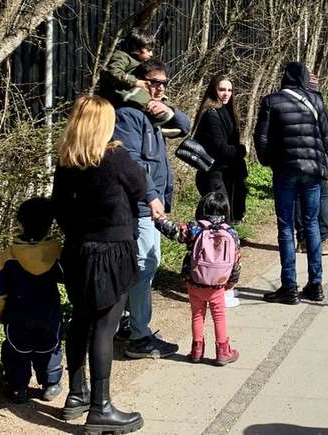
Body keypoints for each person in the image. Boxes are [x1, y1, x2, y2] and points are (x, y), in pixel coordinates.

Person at [52, 96, 145, 433]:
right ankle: (101, 407)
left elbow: (58, 209)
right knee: (105, 326)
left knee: (80, 320)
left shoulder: (66, 160)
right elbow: (141, 187)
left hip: (77, 250)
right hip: (112, 249)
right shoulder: (115, 155)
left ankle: (76, 394)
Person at [113, 58, 190, 359]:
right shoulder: (128, 115)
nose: (158, 88)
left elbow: (183, 125)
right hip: (141, 205)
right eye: (153, 82)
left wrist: (169, 110)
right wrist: (152, 196)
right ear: (137, 81)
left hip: (151, 203)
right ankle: (139, 336)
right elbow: (131, 162)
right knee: (145, 265)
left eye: (163, 83)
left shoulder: (152, 113)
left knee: (142, 265)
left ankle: (127, 325)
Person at [254, 62, 328, 305]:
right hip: (312, 169)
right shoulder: (316, 100)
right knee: (312, 225)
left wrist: (268, 161)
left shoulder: (271, 101)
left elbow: (262, 136)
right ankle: (316, 284)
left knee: (285, 227)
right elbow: (326, 134)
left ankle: (289, 286)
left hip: (285, 168)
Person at [0, 197, 63, 404]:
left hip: (17, 314)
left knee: (17, 350)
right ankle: (51, 384)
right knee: (49, 347)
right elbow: (70, 278)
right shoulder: (56, 253)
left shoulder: (9, 255)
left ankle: (18, 388)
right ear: (50, 225)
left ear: (20, 223)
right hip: (49, 314)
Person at [154, 192, 241, 365]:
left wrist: (159, 220)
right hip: (218, 284)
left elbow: (174, 232)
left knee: (197, 315)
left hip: (194, 281)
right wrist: (230, 282)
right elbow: (236, 261)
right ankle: (223, 351)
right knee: (219, 315)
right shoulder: (231, 233)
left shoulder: (195, 228)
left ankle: (196, 351)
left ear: (201, 208)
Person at [294, 72, 328, 256]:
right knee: (321, 196)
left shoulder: (285, 99)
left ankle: (302, 239)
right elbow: (326, 129)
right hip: (315, 157)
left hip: (293, 159)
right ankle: (322, 238)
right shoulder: (316, 101)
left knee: (299, 198)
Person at [192, 73, 248, 225]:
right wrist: (241, 150)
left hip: (227, 173)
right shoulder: (211, 113)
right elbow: (220, 147)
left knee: (224, 220)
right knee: (218, 221)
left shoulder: (226, 111)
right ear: (213, 90)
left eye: (230, 90)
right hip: (214, 174)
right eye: (222, 89)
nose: (226, 94)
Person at [98, 30, 171, 127]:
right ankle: (157, 117)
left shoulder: (138, 60)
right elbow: (113, 72)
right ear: (136, 49)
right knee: (141, 95)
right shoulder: (121, 56)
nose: (151, 54)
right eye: (148, 50)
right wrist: (135, 81)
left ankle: (162, 110)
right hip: (117, 92)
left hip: (128, 90)